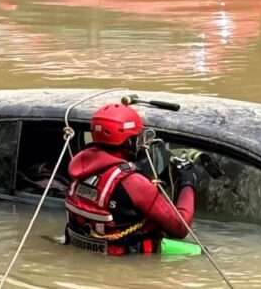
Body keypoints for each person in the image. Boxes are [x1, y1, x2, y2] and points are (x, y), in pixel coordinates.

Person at [64, 103, 197, 255]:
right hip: (128, 266)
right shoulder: (133, 183)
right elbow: (180, 228)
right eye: (138, 137)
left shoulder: (78, 167)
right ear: (129, 141)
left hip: (85, 256)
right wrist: (188, 183)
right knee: (202, 253)